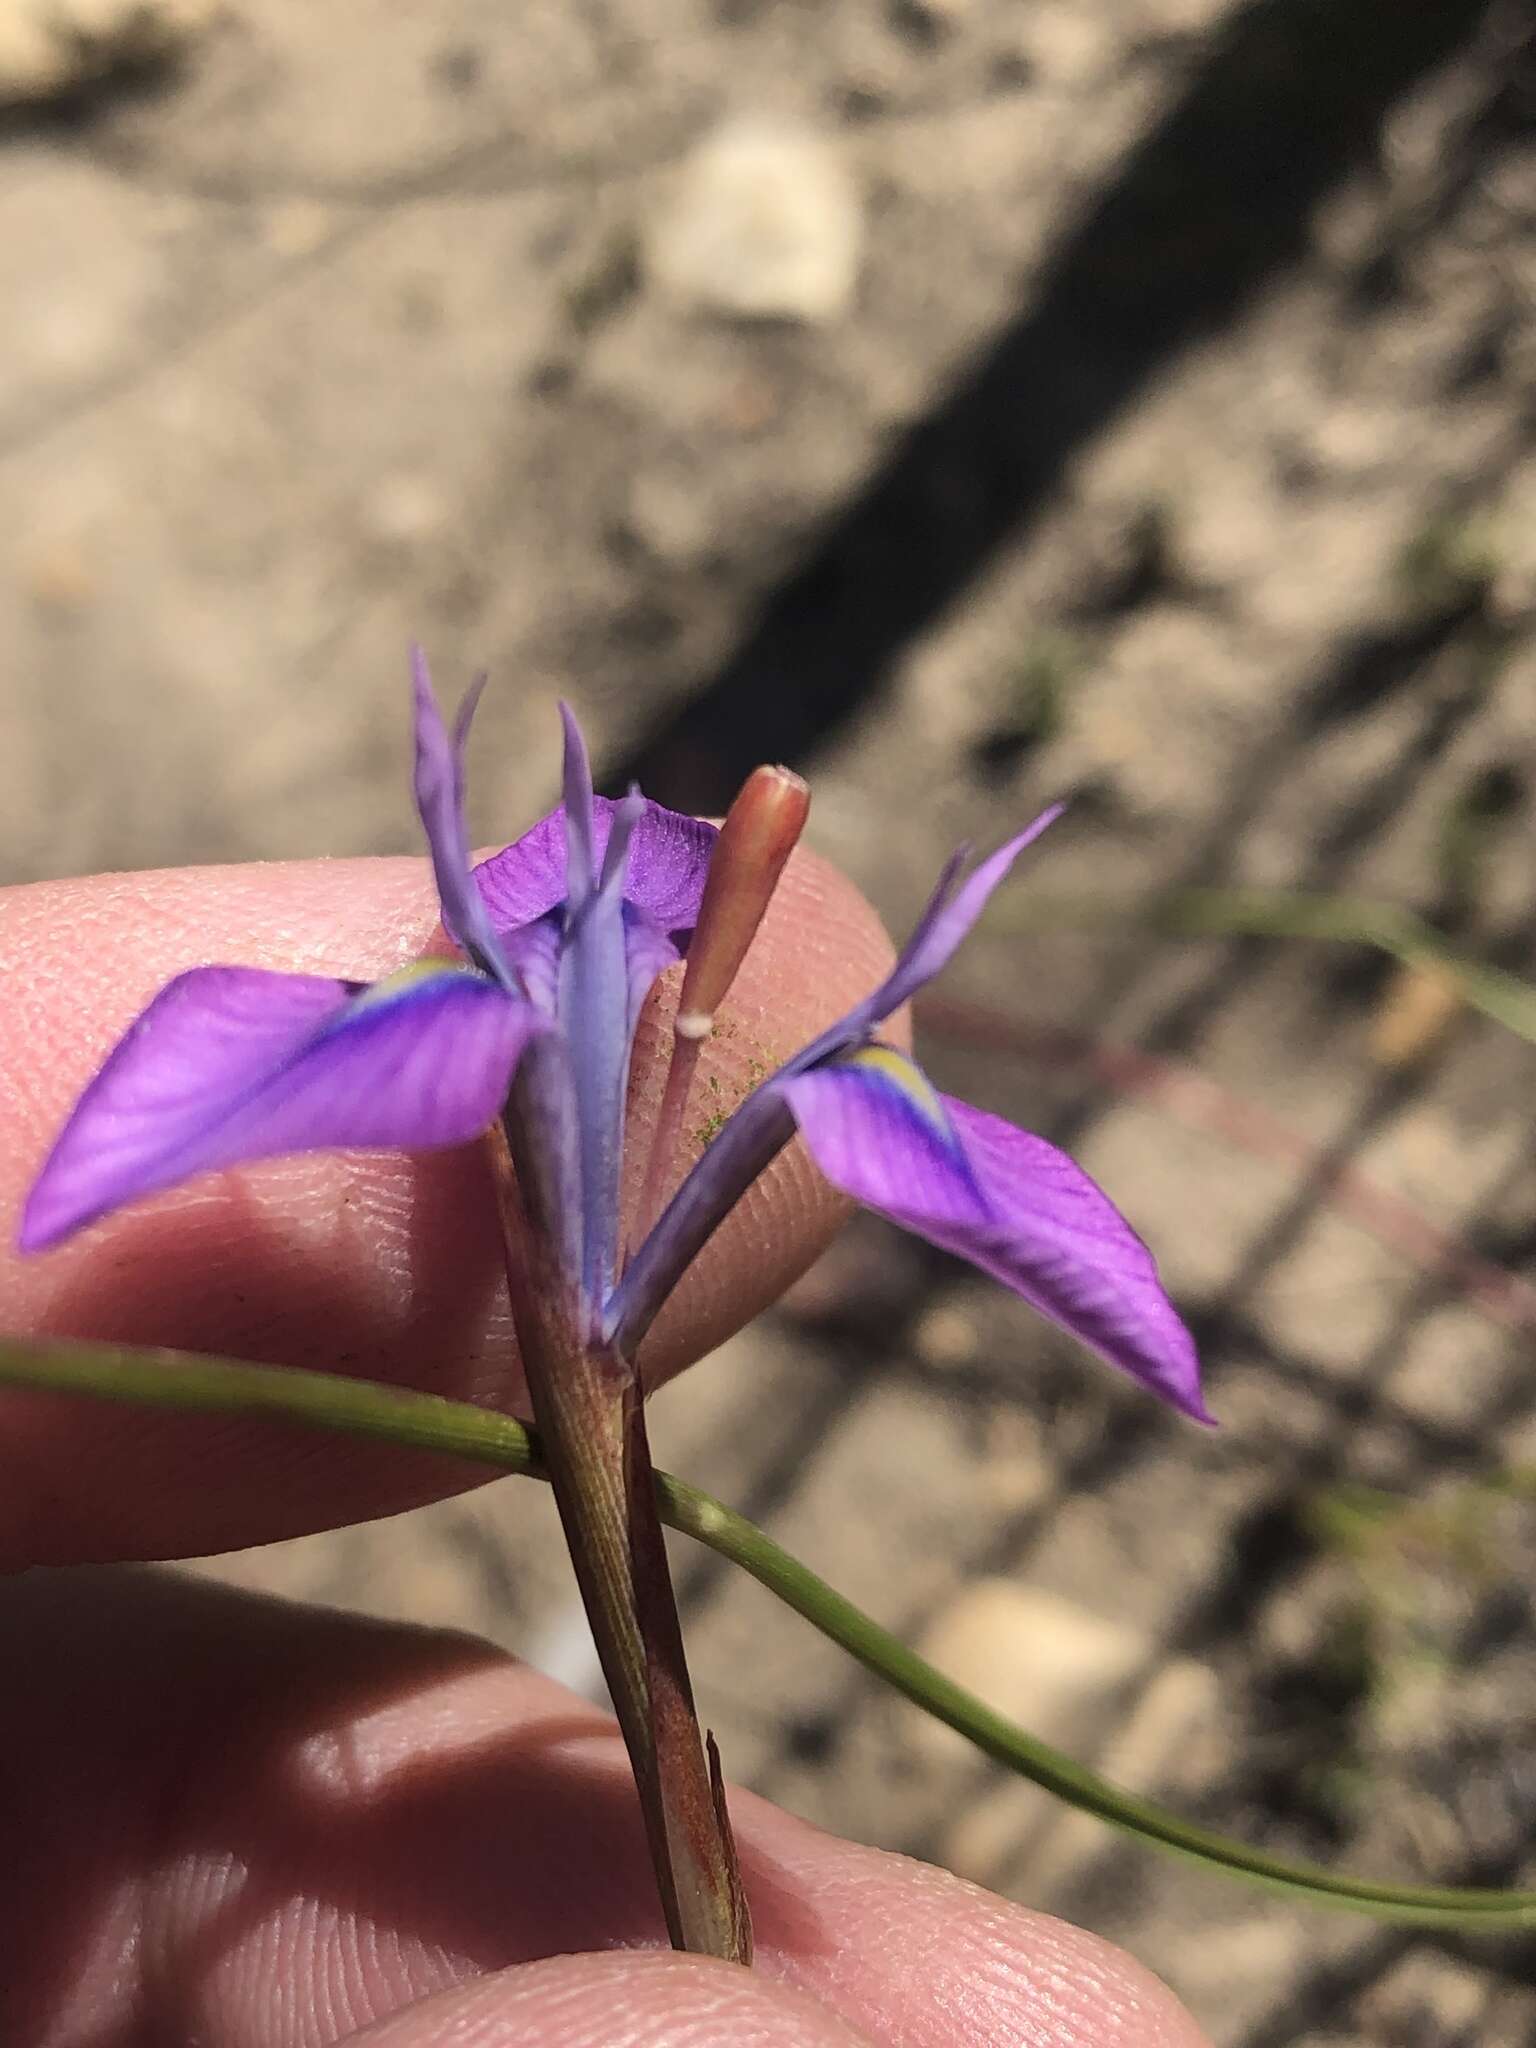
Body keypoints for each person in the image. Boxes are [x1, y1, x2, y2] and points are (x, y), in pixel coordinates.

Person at [0, 851, 1209, 2047]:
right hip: (587, 1304)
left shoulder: (825, 1077)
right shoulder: (474, 1006)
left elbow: (1068, 1265)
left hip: (607, 1298)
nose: (601, 865)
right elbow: (184, 1106)